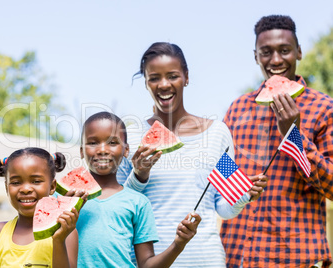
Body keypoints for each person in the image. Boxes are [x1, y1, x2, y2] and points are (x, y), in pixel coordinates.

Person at [116, 42, 267, 267]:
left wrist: (244, 195)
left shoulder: (217, 134)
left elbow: (223, 208)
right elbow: (118, 206)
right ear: (146, 83)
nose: (164, 85)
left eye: (173, 76)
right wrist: (138, 175)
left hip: (206, 260)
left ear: (186, 77)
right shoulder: (131, 135)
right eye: (154, 78)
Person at [220, 15, 333, 268]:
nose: (276, 60)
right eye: (266, 52)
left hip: (295, 259)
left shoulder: (325, 108)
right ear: (256, 56)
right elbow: (223, 169)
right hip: (236, 255)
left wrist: (293, 134)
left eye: (284, 50)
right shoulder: (238, 109)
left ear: (299, 52)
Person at [77, 111, 201, 267]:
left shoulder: (138, 202)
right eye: (93, 142)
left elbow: (146, 264)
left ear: (126, 150)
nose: (102, 150)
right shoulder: (65, 197)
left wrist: (178, 245)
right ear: (81, 150)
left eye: (113, 143)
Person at [0, 147, 84, 268]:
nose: (25, 189)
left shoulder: (66, 232)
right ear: (6, 188)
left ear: (52, 186)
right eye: (16, 182)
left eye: (36, 181)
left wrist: (58, 240)